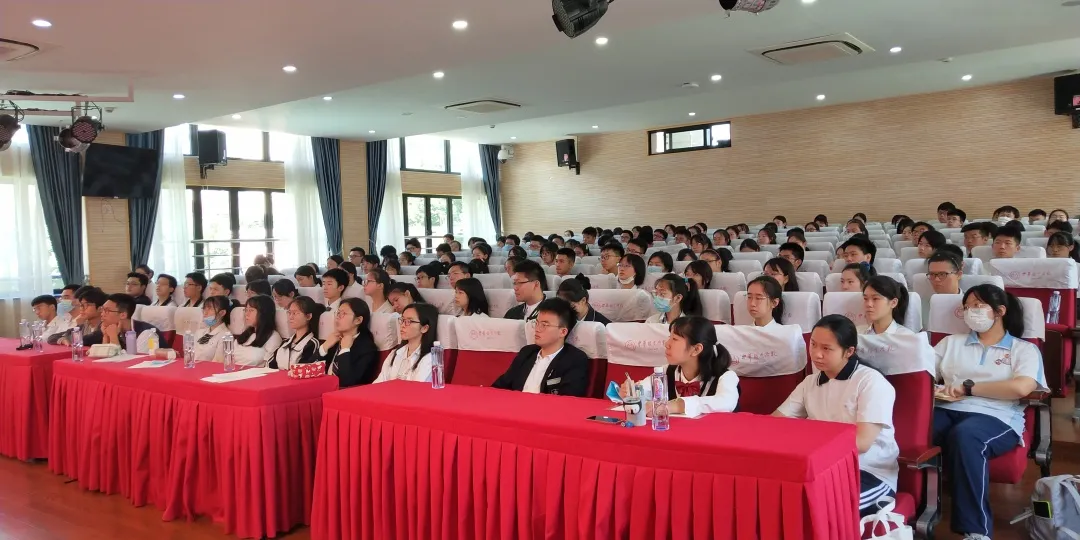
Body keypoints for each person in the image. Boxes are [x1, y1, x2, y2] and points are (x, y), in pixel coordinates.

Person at [933, 284, 1044, 539]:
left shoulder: (1023, 349)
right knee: (911, 431)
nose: (971, 311)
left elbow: (1021, 387)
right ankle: (905, 509)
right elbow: (922, 372)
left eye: (978, 305)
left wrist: (969, 388)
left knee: (966, 436)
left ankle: (976, 530)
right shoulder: (950, 343)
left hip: (996, 415)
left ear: (999, 311)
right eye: (966, 307)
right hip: (947, 407)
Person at [774, 314, 899, 517]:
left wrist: (805, 441)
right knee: (778, 499)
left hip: (868, 473)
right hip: (821, 469)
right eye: (813, 345)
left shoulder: (870, 382)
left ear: (849, 351)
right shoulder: (810, 383)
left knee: (819, 508)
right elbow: (775, 423)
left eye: (826, 348)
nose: (816, 354)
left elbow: (861, 443)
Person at [619, 315, 740, 416]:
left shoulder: (726, 376)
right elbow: (643, 389)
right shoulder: (667, 371)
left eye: (675, 339)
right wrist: (631, 391)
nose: (667, 344)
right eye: (669, 338)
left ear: (696, 349)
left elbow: (726, 402)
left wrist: (676, 405)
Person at [492, 298, 588, 396]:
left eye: (544, 325)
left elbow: (569, 399)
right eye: (537, 323)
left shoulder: (575, 359)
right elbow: (500, 386)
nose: (537, 329)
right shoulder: (526, 353)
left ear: (563, 332)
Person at [317, 297, 379, 387]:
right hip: (323, 387)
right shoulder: (334, 340)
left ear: (358, 320)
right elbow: (308, 369)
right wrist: (324, 347)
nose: (338, 317)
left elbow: (348, 381)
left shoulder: (367, 348)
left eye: (343, 314)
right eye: (338, 313)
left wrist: (345, 350)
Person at [375, 303, 439, 383]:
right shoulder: (394, 354)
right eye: (402, 320)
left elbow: (417, 387)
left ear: (424, 328)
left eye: (409, 321)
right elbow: (379, 383)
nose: (402, 325)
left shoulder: (430, 358)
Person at [83, 293, 161, 352]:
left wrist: (113, 337)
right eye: (102, 310)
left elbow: (132, 362)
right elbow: (83, 341)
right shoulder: (110, 328)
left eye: (107, 310)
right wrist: (105, 336)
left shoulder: (147, 333)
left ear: (123, 315)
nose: (102, 314)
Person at [223, 295, 282, 367]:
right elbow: (228, 358)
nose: (246, 314)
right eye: (246, 310)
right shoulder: (245, 335)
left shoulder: (273, 337)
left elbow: (270, 367)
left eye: (251, 310)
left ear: (263, 313)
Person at [268, 296, 324, 370]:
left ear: (308, 316)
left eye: (295, 313)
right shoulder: (285, 342)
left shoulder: (312, 344)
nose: (290, 317)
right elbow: (271, 366)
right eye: (289, 313)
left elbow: (303, 370)